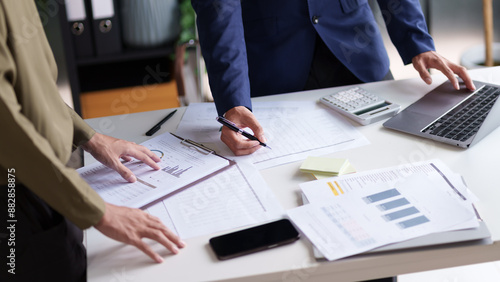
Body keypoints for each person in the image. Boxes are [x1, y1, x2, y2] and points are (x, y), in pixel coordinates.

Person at [0, 1, 184, 281]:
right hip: (19, 193)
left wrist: (91, 138)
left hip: (54, 180)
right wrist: (99, 212)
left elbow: (34, 91)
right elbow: (7, 129)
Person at [191, 0, 476, 156]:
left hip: (358, 56)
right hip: (274, 67)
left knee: (387, 162)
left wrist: (418, 43)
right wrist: (234, 102)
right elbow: (218, 11)